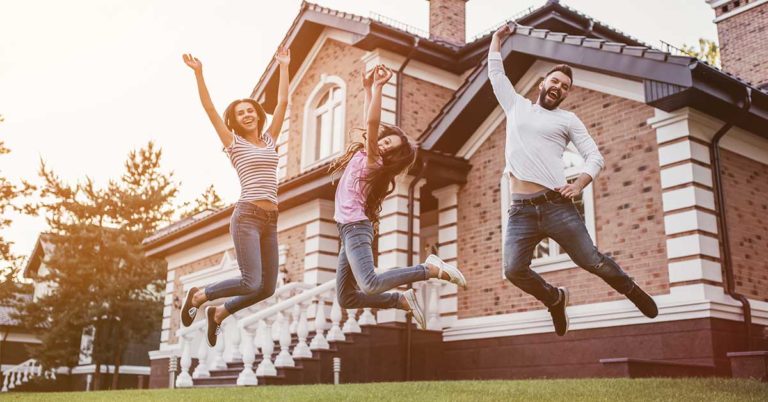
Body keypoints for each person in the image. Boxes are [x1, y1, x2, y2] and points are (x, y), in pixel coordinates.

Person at [488, 25, 658, 336]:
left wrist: (578, 184)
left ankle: (630, 289)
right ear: (543, 84)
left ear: (566, 93)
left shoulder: (568, 120)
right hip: (520, 211)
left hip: (556, 207)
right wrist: (497, 39)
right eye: (554, 81)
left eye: (565, 86)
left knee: (590, 260)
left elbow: (595, 157)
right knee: (513, 269)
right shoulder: (516, 106)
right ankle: (554, 298)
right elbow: (496, 74)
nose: (559, 87)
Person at [329, 65, 467, 330]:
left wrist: (379, 88)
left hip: (355, 227)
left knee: (369, 283)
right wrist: (368, 89)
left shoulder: (374, 162)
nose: (382, 144)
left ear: (391, 155)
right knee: (346, 297)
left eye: (389, 145)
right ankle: (400, 300)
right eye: (384, 140)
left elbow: (371, 122)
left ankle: (430, 269)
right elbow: (372, 126)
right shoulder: (364, 153)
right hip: (347, 230)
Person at [179, 48, 291, 347]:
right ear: (236, 120)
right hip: (247, 217)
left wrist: (284, 66)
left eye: (250, 110)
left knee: (266, 287)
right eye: (240, 112)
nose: (247, 114)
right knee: (250, 281)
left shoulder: (269, 139)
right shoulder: (233, 143)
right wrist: (199, 73)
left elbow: (283, 102)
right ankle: (200, 295)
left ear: (257, 114)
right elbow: (209, 108)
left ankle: (218, 313)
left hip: (271, 219)